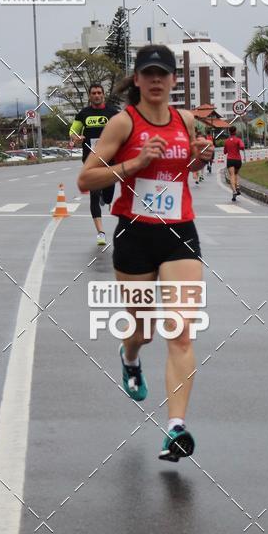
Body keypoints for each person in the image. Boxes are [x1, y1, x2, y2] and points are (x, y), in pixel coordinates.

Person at [77, 45, 214, 462]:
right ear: (136, 80)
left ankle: (175, 427)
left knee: (181, 330)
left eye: (164, 74)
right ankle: (129, 355)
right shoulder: (123, 122)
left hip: (179, 234)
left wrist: (199, 157)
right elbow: (86, 179)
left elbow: (186, 169)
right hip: (135, 235)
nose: (157, 80)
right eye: (148, 73)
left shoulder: (185, 120)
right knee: (143, 331)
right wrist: (133, 164)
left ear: (174, 80)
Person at [70, 84, 119, 246]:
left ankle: (105, 199)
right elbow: (73, 131)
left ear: (103, 95)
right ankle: (101, 233)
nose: (97, 95)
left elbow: (123, 130)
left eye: (99, 93)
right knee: (94, 194)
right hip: (90, 160)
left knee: (108, 196)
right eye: (93, 93)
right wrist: (76, 138)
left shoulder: (112, 113)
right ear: (89, 96)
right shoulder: (83, 114)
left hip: (110, 160)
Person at [223, 126, 245, 201]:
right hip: (238, 160)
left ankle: (234, 191)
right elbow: (242, 147)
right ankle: (237, 186)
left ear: (229, 132)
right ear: (235, 131)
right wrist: (238, 147)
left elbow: (225, 152)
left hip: (230, 160)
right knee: (236, 174)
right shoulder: (238, 140)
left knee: (231, 175)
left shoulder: (227, 141)